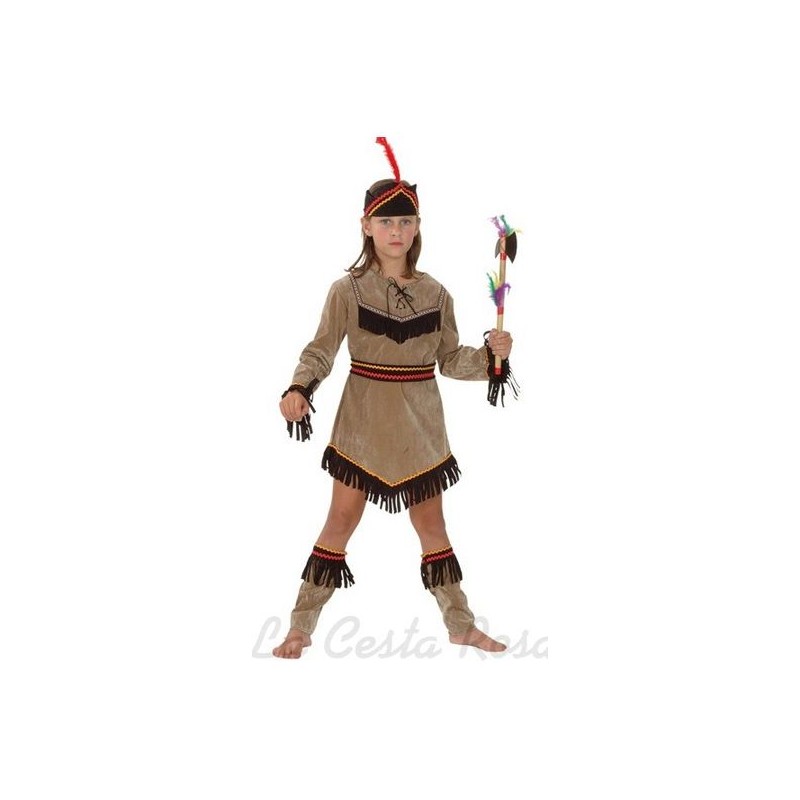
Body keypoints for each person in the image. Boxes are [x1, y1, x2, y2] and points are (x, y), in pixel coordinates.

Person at [272, 138, 515, 659]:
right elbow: (321, 350)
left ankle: (461, 625)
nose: (396, 231)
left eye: (406, 222)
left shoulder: (436, 294)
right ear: (366, 225)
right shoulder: (347, 290)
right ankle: (299, 627)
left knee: (433, 526)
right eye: (386, 222)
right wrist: (298, 387)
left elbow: (450, 360)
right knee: (340, 522)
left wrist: (492, 357)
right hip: (361, 426)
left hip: (421, 428)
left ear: (418, 226)